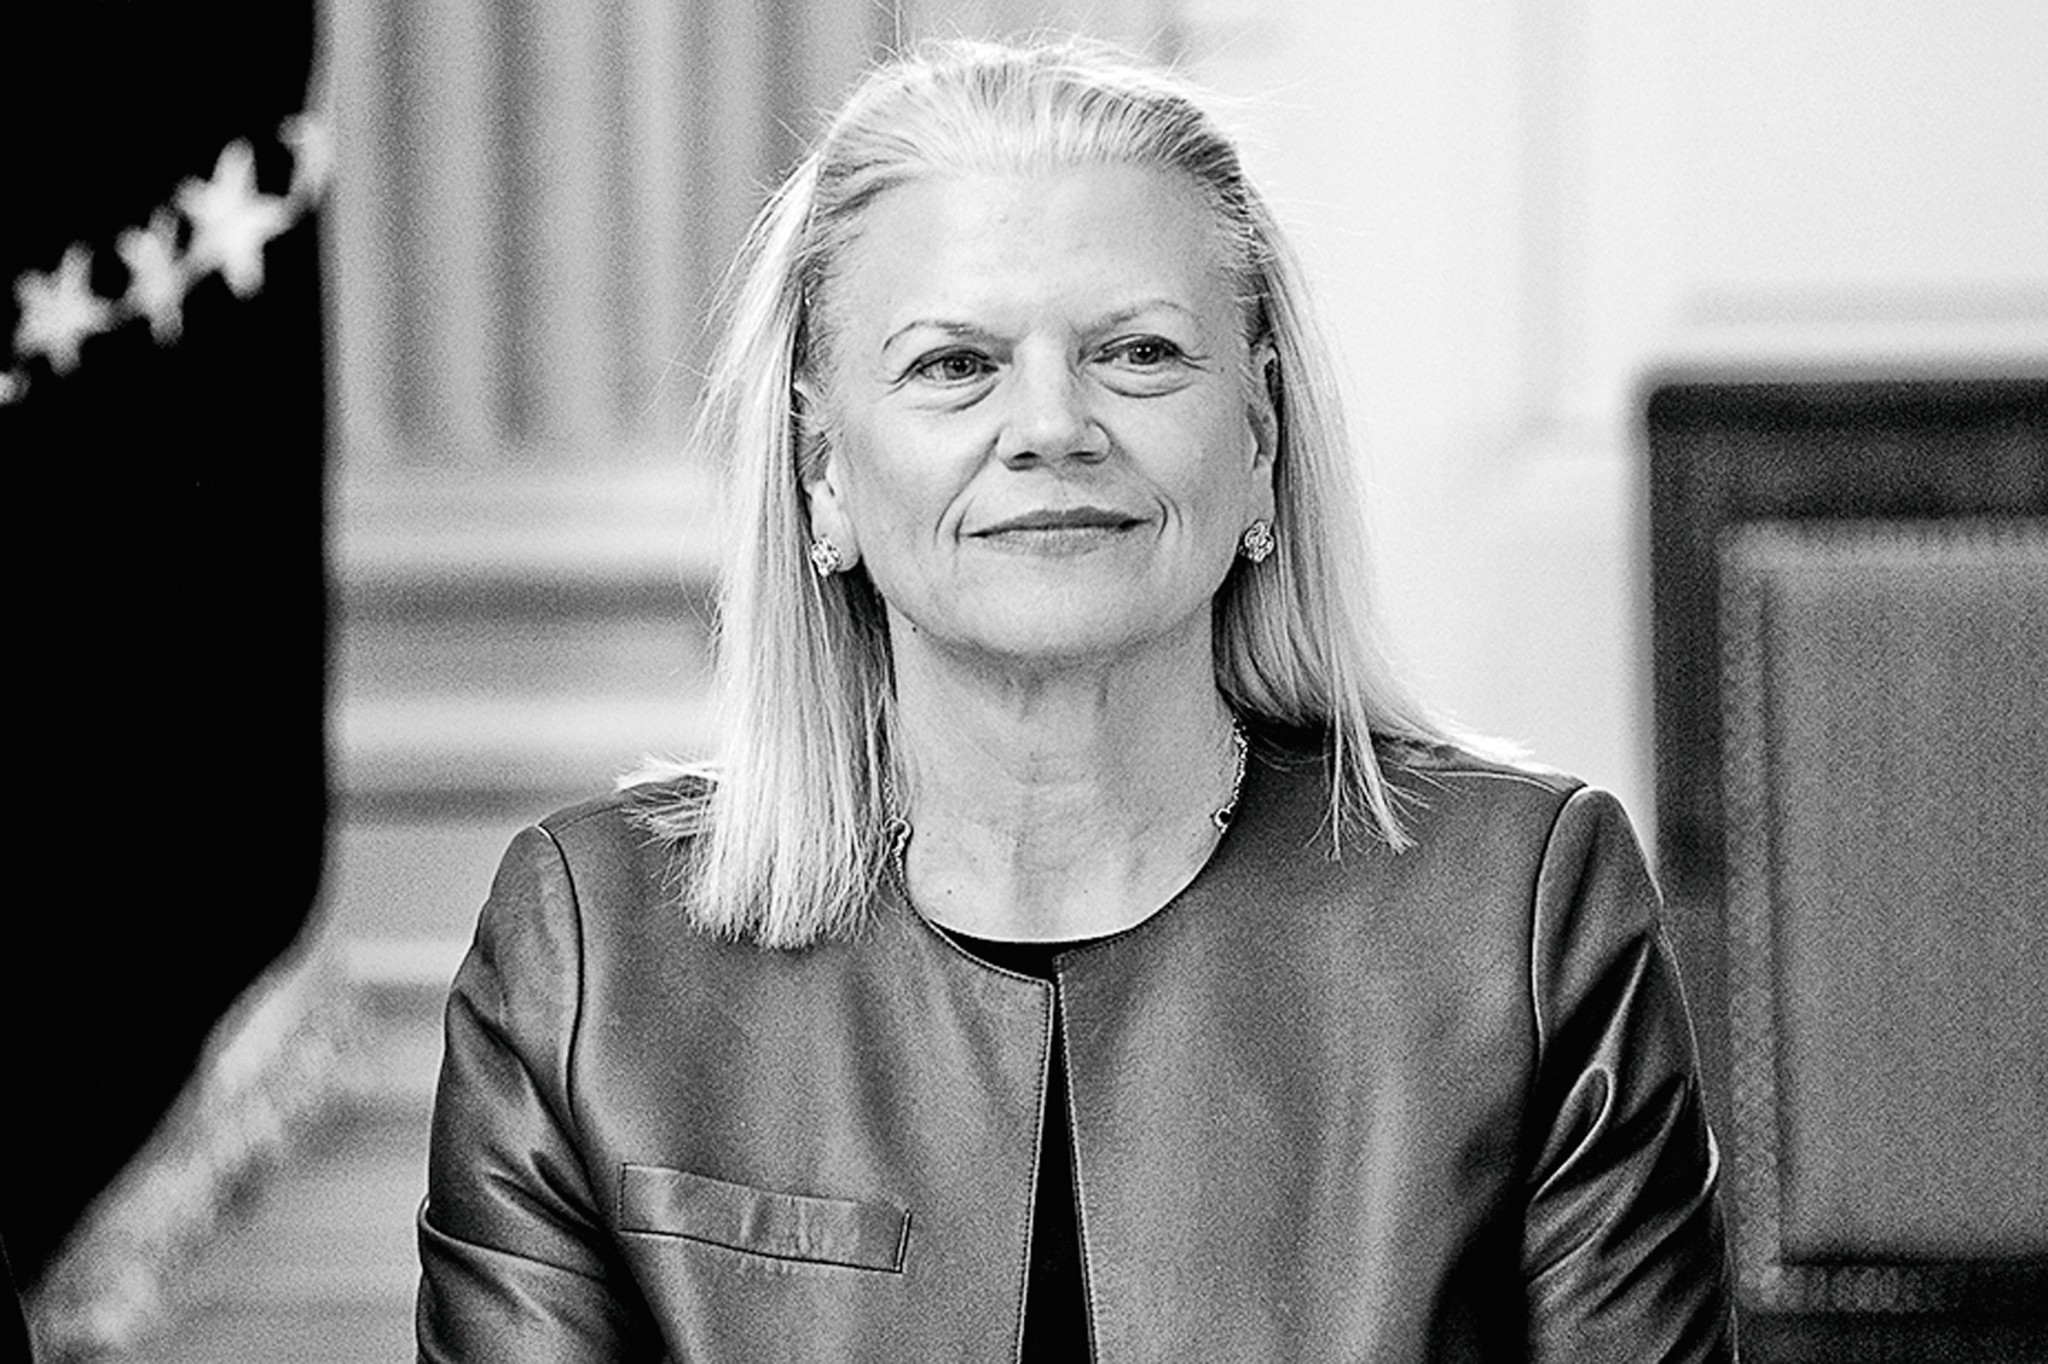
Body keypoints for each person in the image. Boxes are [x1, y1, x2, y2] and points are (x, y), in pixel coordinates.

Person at [416, 38, 1736, 1362]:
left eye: (1138, 353)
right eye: (954, 366)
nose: (1052, 425)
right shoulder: (589, 955)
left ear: (1261, 441)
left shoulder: (1522, 918)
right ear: (823, 476)